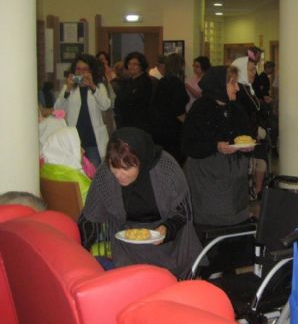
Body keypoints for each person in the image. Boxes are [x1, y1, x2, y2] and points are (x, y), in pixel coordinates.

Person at [78, 128, 202, 278]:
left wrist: (167, 229)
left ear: (141, 160)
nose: (118, 175)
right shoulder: (105, 175)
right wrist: (78, 252)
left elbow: (183, 212)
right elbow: (90, 218)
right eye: (114, 167)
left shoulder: (166, 168)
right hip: (127, 248)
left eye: (126, 168)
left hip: (170, 247)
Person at [181, 65, 255, 226]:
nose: (237, 88)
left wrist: (247, 147)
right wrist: (216, 146)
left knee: (236, 215)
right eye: (233, 83)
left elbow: (247, 136)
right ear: (219, 85)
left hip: (235, 177)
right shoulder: (200, 109)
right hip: (208, 176)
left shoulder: (237, 109)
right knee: (213, 219)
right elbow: (188, 145)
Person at [54, 54, 111, 167]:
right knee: (76, 171)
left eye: (85, 69)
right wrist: (68, 89)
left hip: (93, 140)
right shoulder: (68, 88)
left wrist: (92, 86)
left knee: (94, 172)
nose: (80, 73)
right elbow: (57, 110)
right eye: (78, 69)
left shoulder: (98, 86)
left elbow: (105, 106)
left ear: (91, 71)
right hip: (74, 140)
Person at [232, 56, 268, 197]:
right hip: (245, 137)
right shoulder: (239, 90)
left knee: (259, 163)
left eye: (255, 70)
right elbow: (241, 116)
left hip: (254, 135)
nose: (254, 73)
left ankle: (256, 192)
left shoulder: (248, 88)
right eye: (251, 70)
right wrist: (255, 130)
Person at [150, 53, 189, 165]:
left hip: (159, 125)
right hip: (172, 128)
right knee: (175, 159)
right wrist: (188, 124)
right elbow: (178, 111)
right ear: (180, 66)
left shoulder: (162, 81)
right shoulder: (176, 84)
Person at [40, 126, 92, 202]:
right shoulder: (77, 180)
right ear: (69, 149)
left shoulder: (45, 171)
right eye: (79, 146)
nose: (83, 150)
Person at [114, 51, 153, 132]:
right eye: (129, 64)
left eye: (135, 64)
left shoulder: (146, 82)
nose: (131, 67)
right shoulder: (128, 81)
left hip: (139, 124)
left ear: (141, 66)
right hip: (125, 122)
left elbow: (139, 103)